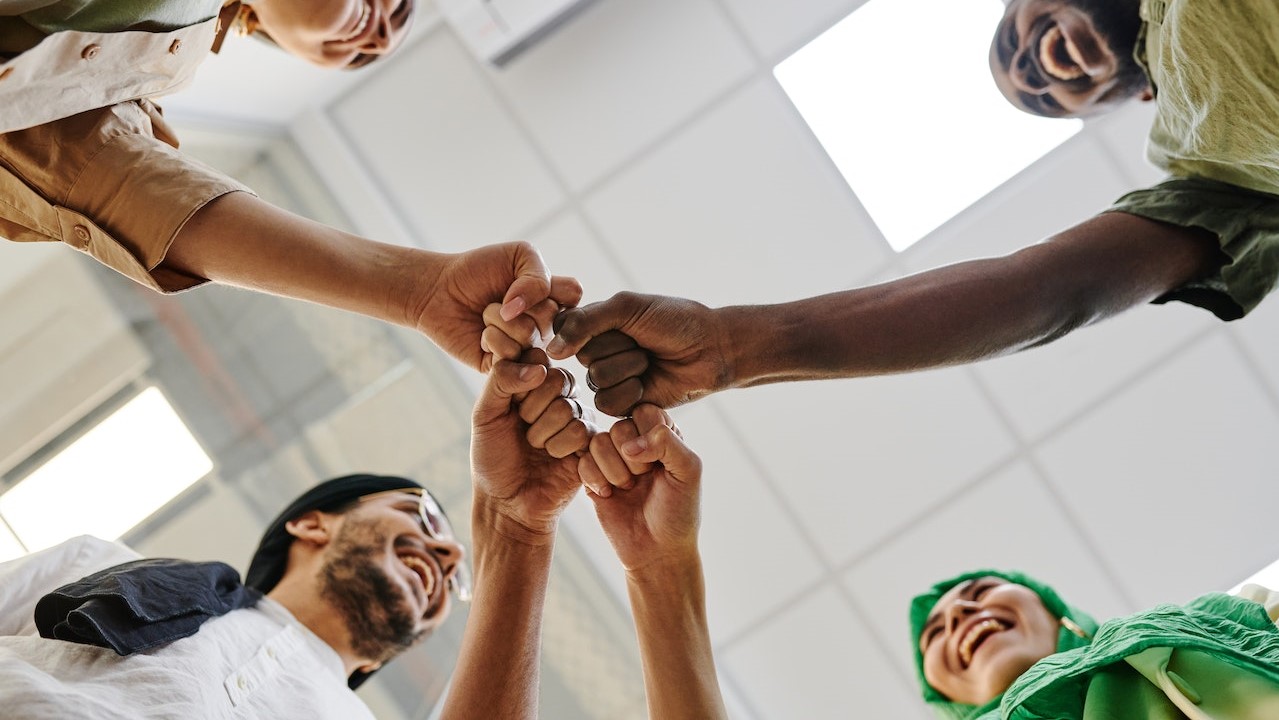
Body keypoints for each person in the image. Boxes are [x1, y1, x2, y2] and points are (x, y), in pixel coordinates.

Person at [542, 0, 1279, 418]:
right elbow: (1044, 291)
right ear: (1134, 98)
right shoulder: (1209, 164)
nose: (1028, 67)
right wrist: (739, 345)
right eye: (1041, 98)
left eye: (1014, 32)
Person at [0, 350, 593, 719]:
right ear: (312, 521)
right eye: (421, 515)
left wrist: (518, 532)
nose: (448, 552)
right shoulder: (99, 565)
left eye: (456, 581)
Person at [0, 0, 579, 375]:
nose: (374, 36)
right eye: (390, 7)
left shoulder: (160, 58)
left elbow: (103, 174)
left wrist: (421, 290)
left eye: (366, 53)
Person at [910, 569, 1279, 719]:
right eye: (935, 634)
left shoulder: (1226, 620)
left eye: (984, 590)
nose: (959, 610)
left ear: (1059, 614)